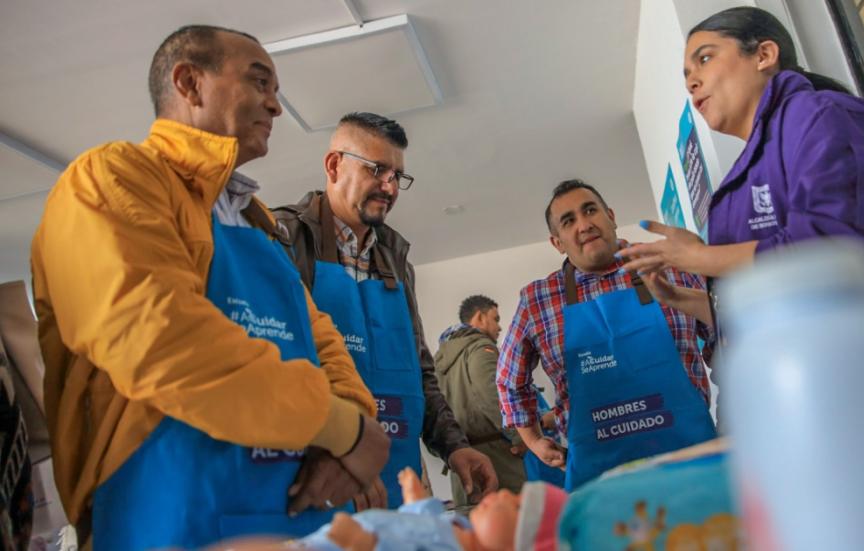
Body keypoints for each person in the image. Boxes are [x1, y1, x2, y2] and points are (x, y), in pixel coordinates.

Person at [617, 6, 864, 503]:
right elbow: (780, 304)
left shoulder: (827, 117)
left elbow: (848, 253)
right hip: (817, 441)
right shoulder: (740, 181)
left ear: (764, 54)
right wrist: (690, 301)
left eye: (704, 58)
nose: (692, 82)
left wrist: (701, 259)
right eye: (686, 75)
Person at [30, 25, 389, 549]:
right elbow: (160, 341)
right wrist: (344, 431)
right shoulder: (112, 179)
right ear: (189, 83)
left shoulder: (260, 224)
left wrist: (355, 416)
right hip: (168, 513)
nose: (275, 106)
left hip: (293, 512)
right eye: (259, 81)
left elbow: (321, 338)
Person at [272, 113, 497, 509]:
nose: (390, 186)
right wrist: (337, 449)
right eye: (377, 170)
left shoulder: (396, 259)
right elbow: (274, 363)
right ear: (334, 165)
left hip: (394, 476)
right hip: (314, 478)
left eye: (398, 175)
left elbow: (419, 369)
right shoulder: (284, 239)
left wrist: (454, 447)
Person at [496, 180, 717, 491]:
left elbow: (726, 338)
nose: (584, 225)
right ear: (557, 242)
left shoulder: (669, 266)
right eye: (569, 221)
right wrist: (533, 441)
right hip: (601, 484)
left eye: (590, 211)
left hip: (694, 464)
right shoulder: (537, 300)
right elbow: (509, 381)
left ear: (611, 216)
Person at [295, 468, 567, 551]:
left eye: (518, 507)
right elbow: (427, 523)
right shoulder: (461, 529)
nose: (506, 493)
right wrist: (417, 501)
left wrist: (362, 543)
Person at [434, 295, 527, 510]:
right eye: (496, 318)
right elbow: (493, 397)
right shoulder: (481, 348)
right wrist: (518, 437)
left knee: (473, 532)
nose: (500, 327)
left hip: (461, 460)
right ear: (480, 317)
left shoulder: (441, 356)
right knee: (511, 530)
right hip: (496, 459)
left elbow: (436, 408)